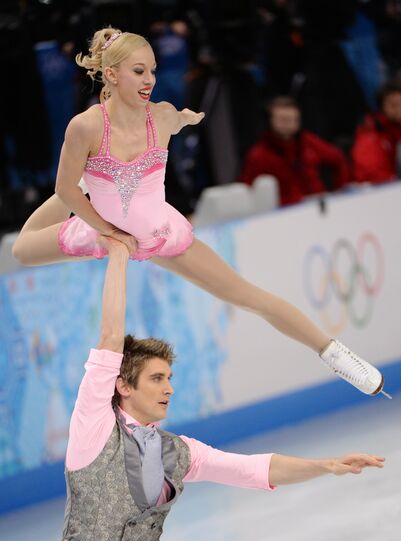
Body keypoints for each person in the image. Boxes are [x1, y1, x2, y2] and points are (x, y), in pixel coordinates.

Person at [12, 28, 385, 397]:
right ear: (111, 74)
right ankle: (91, 185)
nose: (150, 80)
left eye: (154, 70)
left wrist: (186, 120)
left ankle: (334, 353)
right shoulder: (85, 126)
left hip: (158, 231)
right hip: (103, 229)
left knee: (246, 295)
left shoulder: (160, 116)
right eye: (139, 71)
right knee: (21, 249)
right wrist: (105, 228)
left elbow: (177, 121)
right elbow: (62, 190)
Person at [59, 235, 385, 541]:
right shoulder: (95, 427)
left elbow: (254, 469)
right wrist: (118, 255)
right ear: (124, 385)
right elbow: (111, 335)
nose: (169, 388)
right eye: (156, 379)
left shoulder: (179, 452)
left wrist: (327, 465)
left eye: (169, 378)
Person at [240, 96, 350, 205]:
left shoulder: (308, 141)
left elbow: (337, 158)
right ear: (270, 121)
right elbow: (247, 190)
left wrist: (340, 192)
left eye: (294, 119)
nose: (290, 124)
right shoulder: (258, 155)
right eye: (284, 120)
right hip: (284, 212)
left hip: (317, 205)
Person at [351, 81, 401, 183]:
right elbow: (371, 172)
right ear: (382, 107)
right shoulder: (372, 133)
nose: (399, 109)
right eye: (394, 105)